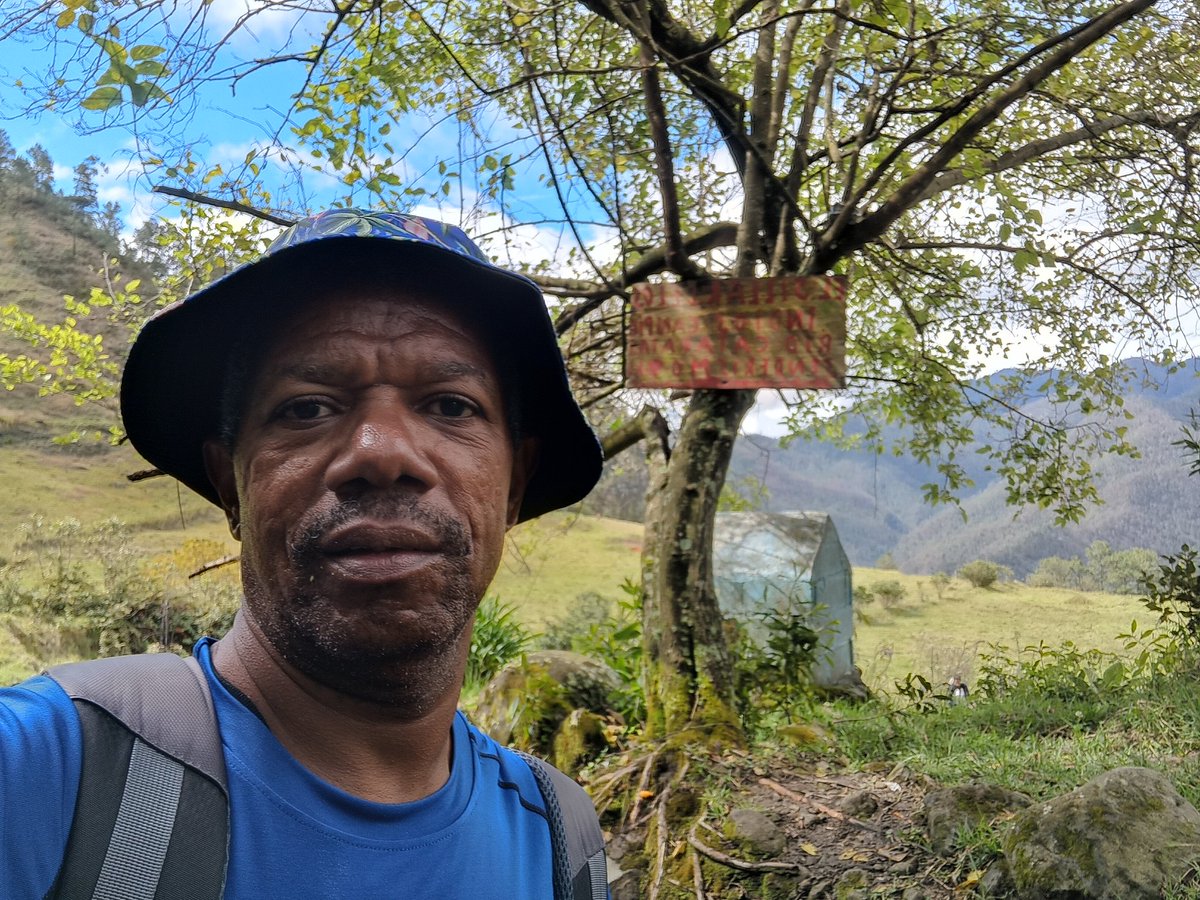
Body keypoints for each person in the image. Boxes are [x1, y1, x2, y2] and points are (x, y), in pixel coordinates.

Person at [0, 209, 606, 898]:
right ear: (232, 486)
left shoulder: (563, 843)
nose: (382, 454)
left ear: (514, 485)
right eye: (307, 408)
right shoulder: (45, 770)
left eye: (450, 405)